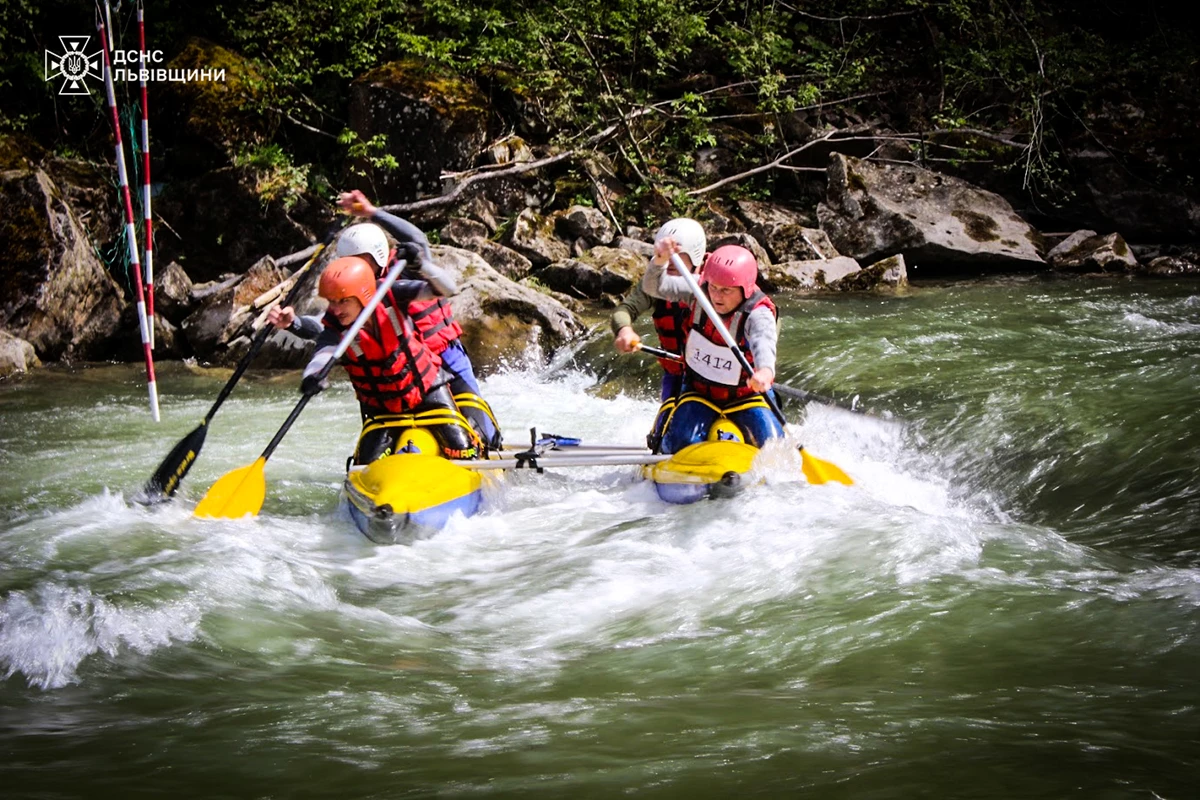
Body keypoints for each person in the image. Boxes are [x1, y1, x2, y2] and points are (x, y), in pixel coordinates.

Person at [273, 242, 480, 466]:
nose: (336, 309)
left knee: (464, 452)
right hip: (382, 409)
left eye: (343, 301)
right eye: (332, 301)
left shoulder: (392, 294)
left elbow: (446, 288)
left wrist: (421, 265)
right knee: (365, 465)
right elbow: (322, 354)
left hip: (427, 392)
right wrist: (312, 376)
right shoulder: (335, 327)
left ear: (362, 295)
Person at [332, 190, 501, 452]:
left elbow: (417, 239)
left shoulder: (406, 265)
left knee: (482, 431)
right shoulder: (353, 292)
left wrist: (372, 213)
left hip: (445, 356)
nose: (357, 268)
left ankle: (480, 449)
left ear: (377, 256)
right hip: (401, 369)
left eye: (362, 261)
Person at [641, 242, 785, 455]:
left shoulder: (758, 313)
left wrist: (765, 371)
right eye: (714, 288)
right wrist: (659, 261)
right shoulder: (698, 289)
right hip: (699, 391)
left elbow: (763, 342)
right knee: (681, 443)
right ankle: (664, 442)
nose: (717, 296)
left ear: (744, 289)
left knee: (774, 449)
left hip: (745, 396)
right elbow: (654, 287)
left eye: (726, 290)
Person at [611, 218, 705, 450]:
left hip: (711, 373)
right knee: (666, 428)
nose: (669, 263)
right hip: (676, 374)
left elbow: (756, 311)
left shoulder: (715, 285)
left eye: (676, 257)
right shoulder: (656, 285)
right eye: (664, 256)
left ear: (695, 258)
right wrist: (625, 330)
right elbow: (623, 311)